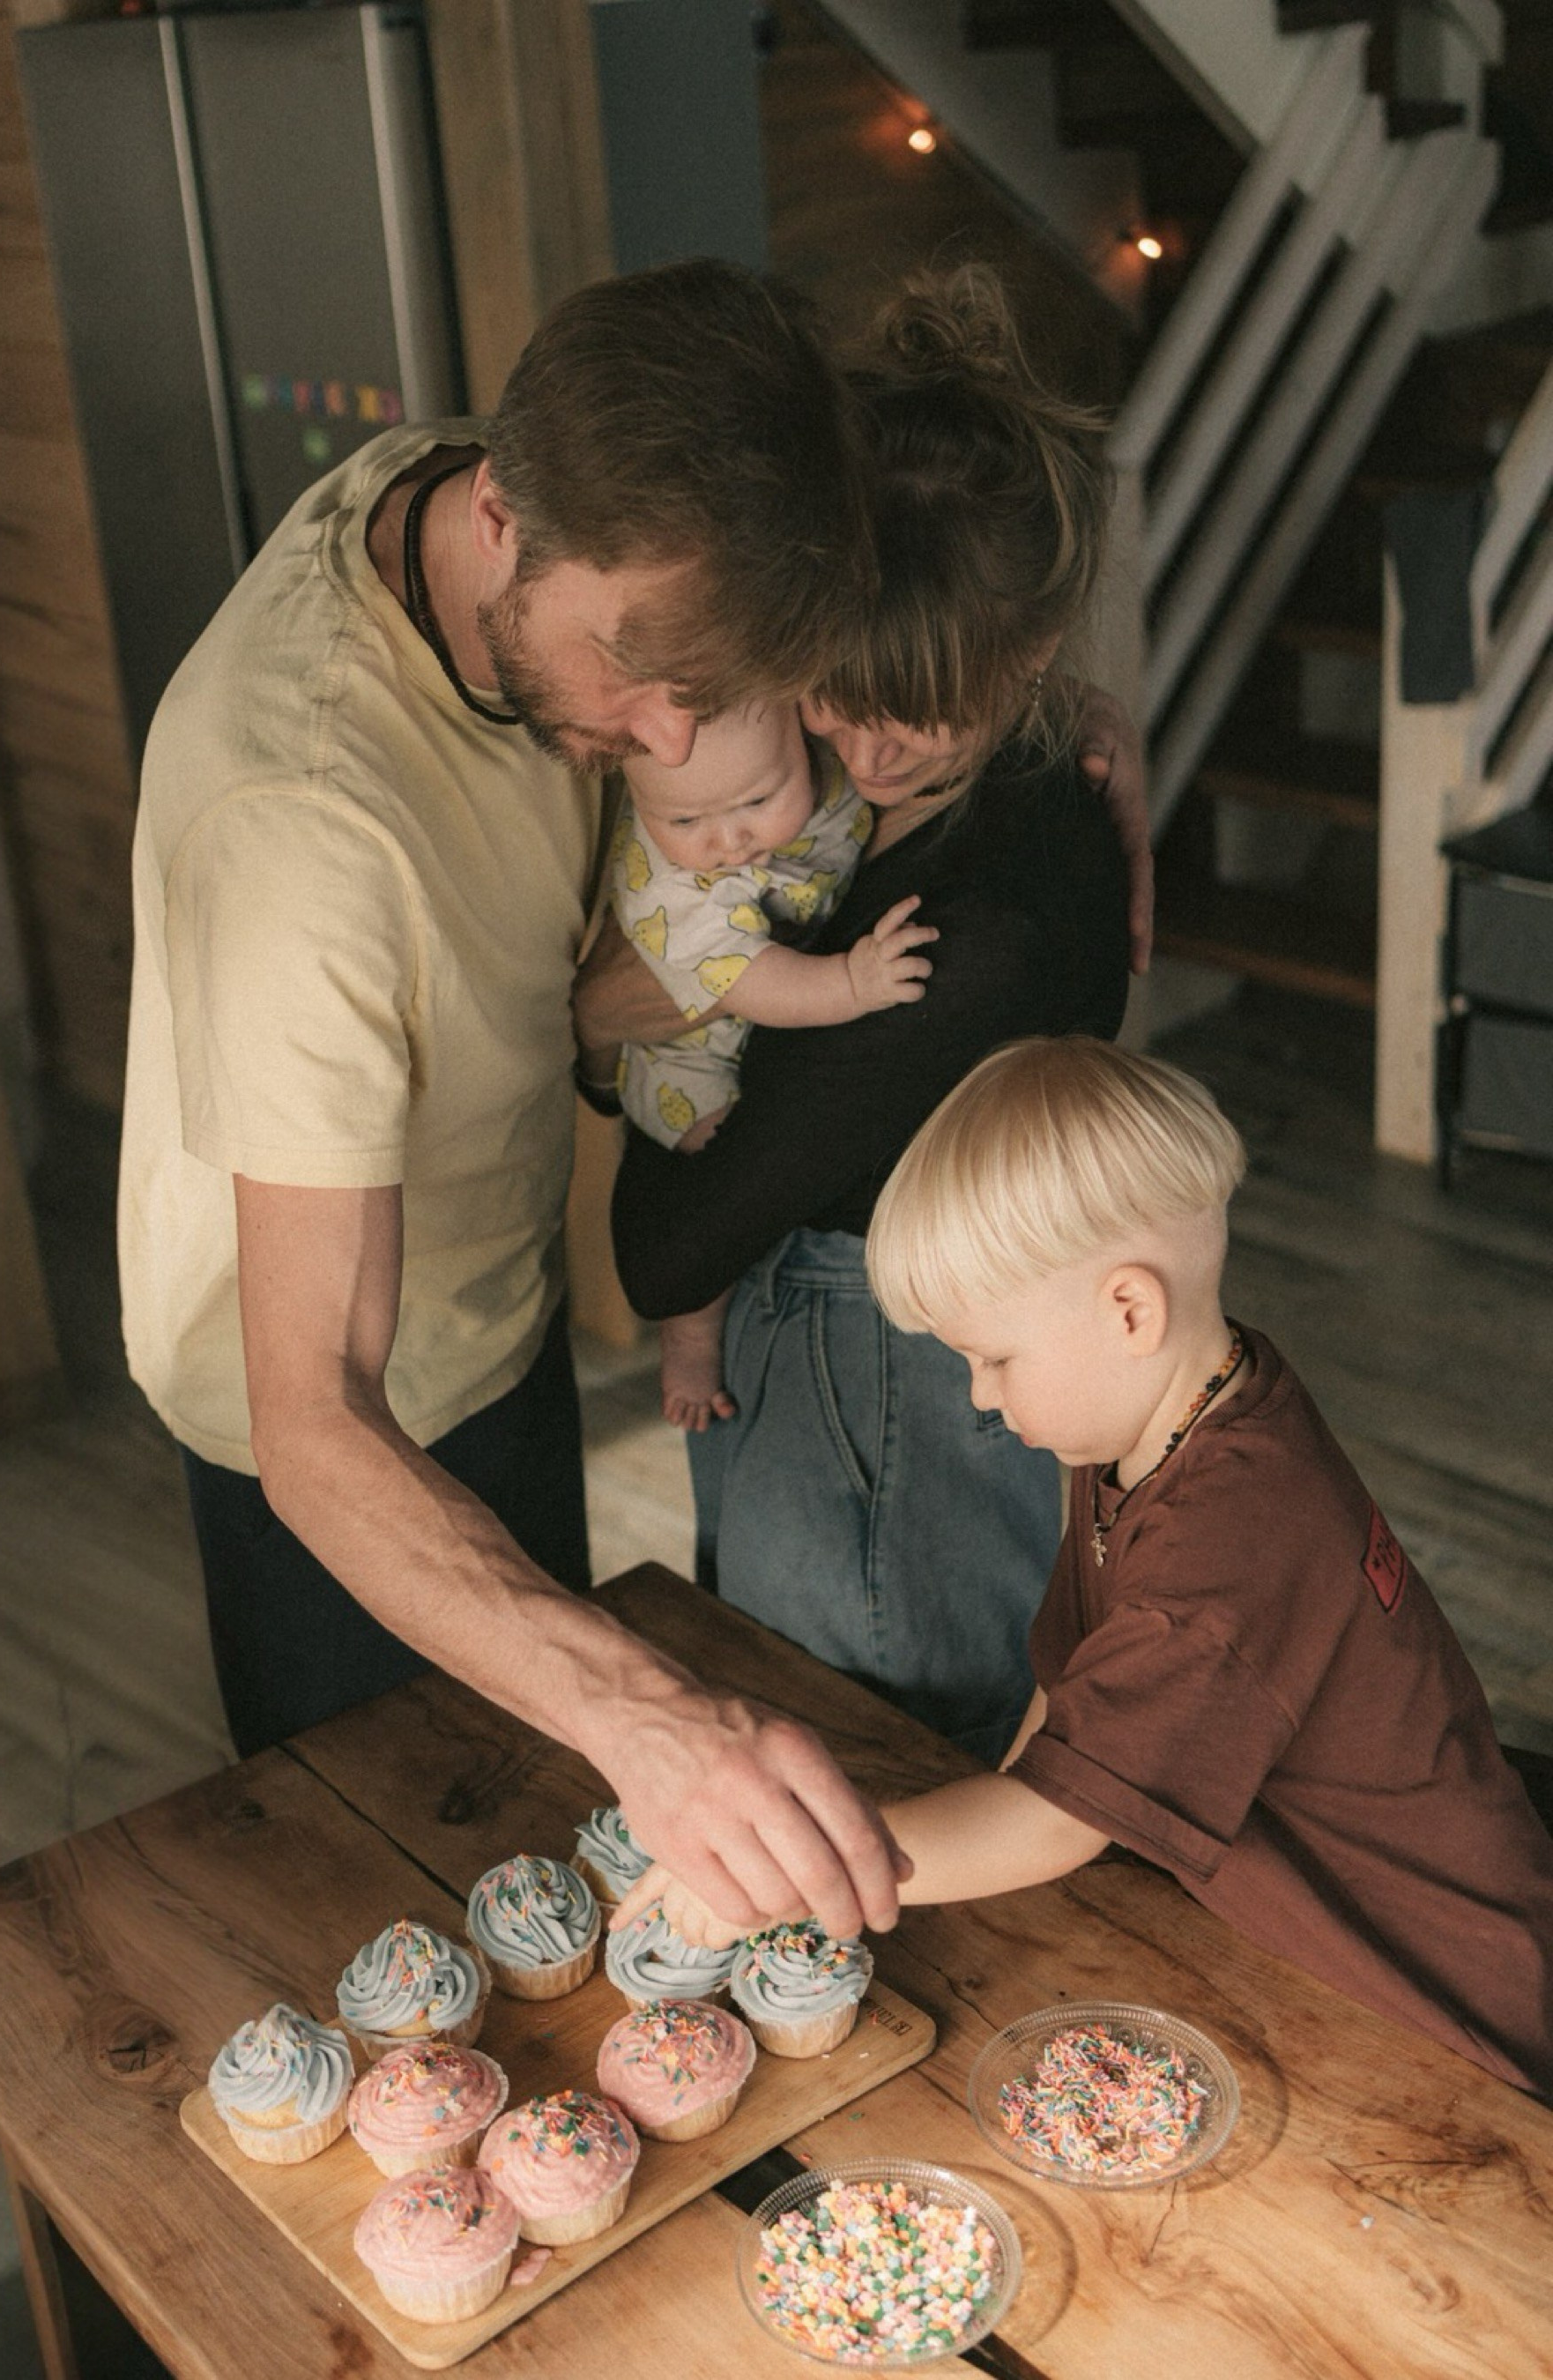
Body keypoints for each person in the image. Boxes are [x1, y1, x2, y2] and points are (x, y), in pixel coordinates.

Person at [117, 257, 915, 1944]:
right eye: (637, 678)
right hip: (327, 1432)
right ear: (498, 517)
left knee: (558, 1881)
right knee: (391, 1915)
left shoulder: (557, 502)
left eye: (707, 685)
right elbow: (314, 1416)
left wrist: (1073, 728)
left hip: (494, 1299)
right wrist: (644, 1709)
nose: (671, 740)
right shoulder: (301, 824)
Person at [620, 1037, 1553, 2097]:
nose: (978, 1395)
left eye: (994, 1358)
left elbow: (1055, 1826)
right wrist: (1009, 1801)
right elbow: (1076, 1680)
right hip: (1314, 1929)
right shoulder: (1164, 1415)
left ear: (1129, 1312)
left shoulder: (1229, 1555)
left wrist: (796, 1874)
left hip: (1442, 1997)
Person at [589, 268, 1129, 1761]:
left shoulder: (981, 932)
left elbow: (663, 1247)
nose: (868, 747)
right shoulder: (892, 799)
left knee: (871, 1762)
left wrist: (611, 1014)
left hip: (876, 1388)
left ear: (1030, 657)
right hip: (876, 1373)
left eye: (919, 708)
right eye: (837, 689)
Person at [608, 702, 935, 1428]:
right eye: (683, 820)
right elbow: (761, 986)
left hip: (764, 1028)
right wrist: (853, 983)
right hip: (690, 1067)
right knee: (716, 1197)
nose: (727, 839)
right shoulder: (671, 887)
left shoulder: (833, 761)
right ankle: (691, 1335)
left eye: (757, 801)